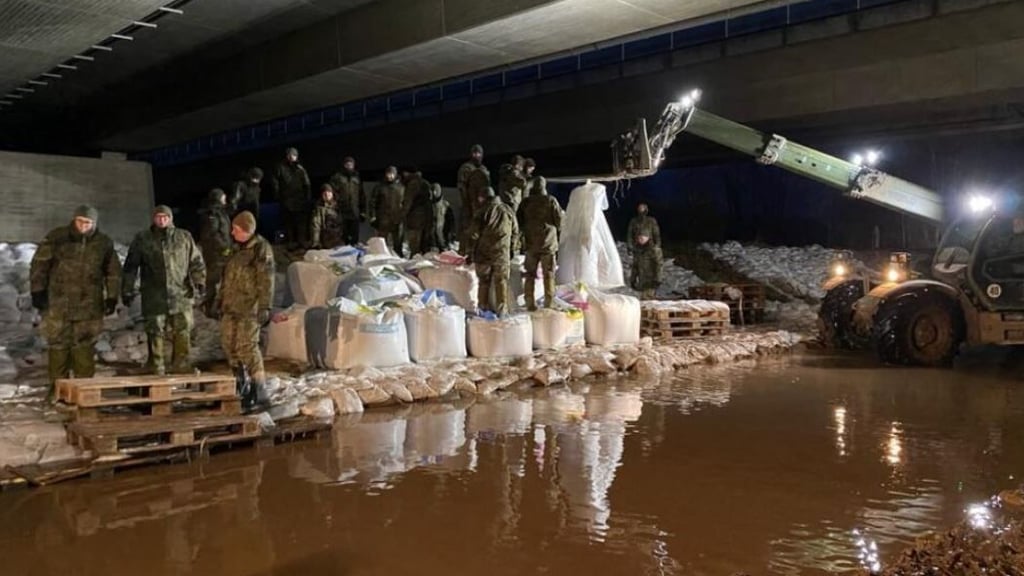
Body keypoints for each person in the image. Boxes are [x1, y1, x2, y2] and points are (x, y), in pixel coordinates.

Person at [30, 205, 120, 399]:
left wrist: (112, 296)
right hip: (58, 303)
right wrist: (37, 290)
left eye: (87, 222)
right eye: (80, 221)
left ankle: (84, 392)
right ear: (74, 220)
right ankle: (57, 392)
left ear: (94, 223)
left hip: (89, 304)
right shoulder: (57, 237)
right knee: (58, 345)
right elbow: (40, 265)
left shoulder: (104, 243)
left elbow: (113, 272)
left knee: (84, 346)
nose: (83, 226)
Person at [122, 205, 206, 375]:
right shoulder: (143, 239)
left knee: (182, 330)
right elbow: (131, 266)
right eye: (159, 217)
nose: (162, 220)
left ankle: (181, 364)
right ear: (153, 218)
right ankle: (155, 364)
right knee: (155, 330)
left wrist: (199, 281)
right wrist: (127, 288)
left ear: (170, 219)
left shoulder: (184, 237)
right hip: (154, 294)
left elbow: (196, 262)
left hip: (180, 293)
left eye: (165, 217)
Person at [210, 211, 274, 412]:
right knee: (230, 347)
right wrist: (218, 301)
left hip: (249, 308)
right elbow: (226, 279)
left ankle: (260, 391)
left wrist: (265, 307)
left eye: (236, 229)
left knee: (248, 348)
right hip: (231, 307)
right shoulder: (236, 250)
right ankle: (242, 388)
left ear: (246, 230)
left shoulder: (260, 249)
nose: (232, 232)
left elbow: (267, 280)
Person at [471, 186, 519, 316]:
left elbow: (474, 234)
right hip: (502, 254)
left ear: (483, 197)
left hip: (484, 254)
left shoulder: (483, 211)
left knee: (484, 283)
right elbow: (515, 232)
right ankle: (502, 312)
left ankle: (482, 309)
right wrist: (511, 250)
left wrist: (470, 251)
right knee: (501, 282)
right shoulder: (508, 210)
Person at [518, 176, 563, 310]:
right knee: (548, 273)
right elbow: (559, 220)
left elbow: (518, 221)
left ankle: (529, 302)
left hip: (531, 243)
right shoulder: (550, 200)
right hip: (548, 244)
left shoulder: (525, 202)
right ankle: (549, 302)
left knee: (530, 274)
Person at [198, 188, 233, 317]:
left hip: (222, 252)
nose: (225, 199)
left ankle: (218, 306)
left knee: (222, 280)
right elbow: (212, 234)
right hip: (215, 254)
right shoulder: (212, 214)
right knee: (213, 281)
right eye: (223, 197)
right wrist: (224, 247)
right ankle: (210, 308)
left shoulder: (220, 213)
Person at [270, 147, 311, 249]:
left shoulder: (300, 169)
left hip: (299, 200)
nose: (291, 157)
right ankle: (290, 242)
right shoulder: (280, 167)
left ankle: (301, 241)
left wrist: (307, 198)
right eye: (290, 155)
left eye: (293, 155)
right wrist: (278, 195)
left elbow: (307, 184)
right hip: (286, 199)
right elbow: (275, 182)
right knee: (288, 223)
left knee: (301, 222)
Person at [457, 144, 490, 253]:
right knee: (467, 228)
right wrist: (466, 203)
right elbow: (462, 187)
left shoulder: (483, 169)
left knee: (480, 228)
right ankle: (464, 252)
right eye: (474, 153)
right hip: (469, 203)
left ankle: (476, 251)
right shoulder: (466, 168)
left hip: (481, 205)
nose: (476, 155)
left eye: (479, 153)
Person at [627, 202, 663, 299]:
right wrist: (633, 279)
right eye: (639, 208)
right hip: (642, 281)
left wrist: (658, 279)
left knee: (649, 299)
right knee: (643, 300)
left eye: (643, 208)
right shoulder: (634, 221)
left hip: (651, 281)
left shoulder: (651, 221)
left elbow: (658, 265)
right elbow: (635, 266)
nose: (641, 210)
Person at [370, 165, 405, 255]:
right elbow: (373, 202)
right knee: (382, 242)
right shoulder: (380, 187)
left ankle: (398, 258)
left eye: (392, 174)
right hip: (383, 219)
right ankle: (381, 257)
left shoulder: (401, 188)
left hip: (397, 219)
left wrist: (404, 216)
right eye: (388, 174)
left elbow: (405, 203)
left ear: (395, 174)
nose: (390, 176)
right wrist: (373, 216)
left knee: (398, 243)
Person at [329, 156, 361, 246]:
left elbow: (361, 194)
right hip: (342, 210)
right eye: (347, 164)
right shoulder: (337, 177)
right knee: (343, 235)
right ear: (344, 165)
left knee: (354, 235)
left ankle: (354, 253)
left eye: (351, 164)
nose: (349, 166)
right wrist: (336, 204)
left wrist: (363, 211)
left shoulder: (356, 178)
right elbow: (332, 192)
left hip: (355, 211)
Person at [401, 167, 433, 256]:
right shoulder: (425, 183)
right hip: (427, 215)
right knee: (424, 241)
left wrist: (402, 215)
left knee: (414, 242)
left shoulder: (412, 184)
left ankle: (415, 260)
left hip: (415, 216)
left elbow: (408, 201)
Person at [310, 183, 344, 249]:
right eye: (324, 193)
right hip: (326, 241)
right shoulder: (319, 208)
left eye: (329, 192)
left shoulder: (339, 206)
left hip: (339, 240)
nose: (327, 195)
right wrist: (316, 242)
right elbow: (316, 226)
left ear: (332, 193)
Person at [429, 183, 451, 252]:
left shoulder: (445, 205)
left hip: (442, 237)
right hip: (432, 241)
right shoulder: (429, 205)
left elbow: (450, 221)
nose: (434, 193)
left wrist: (450, 234)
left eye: (435, 191)